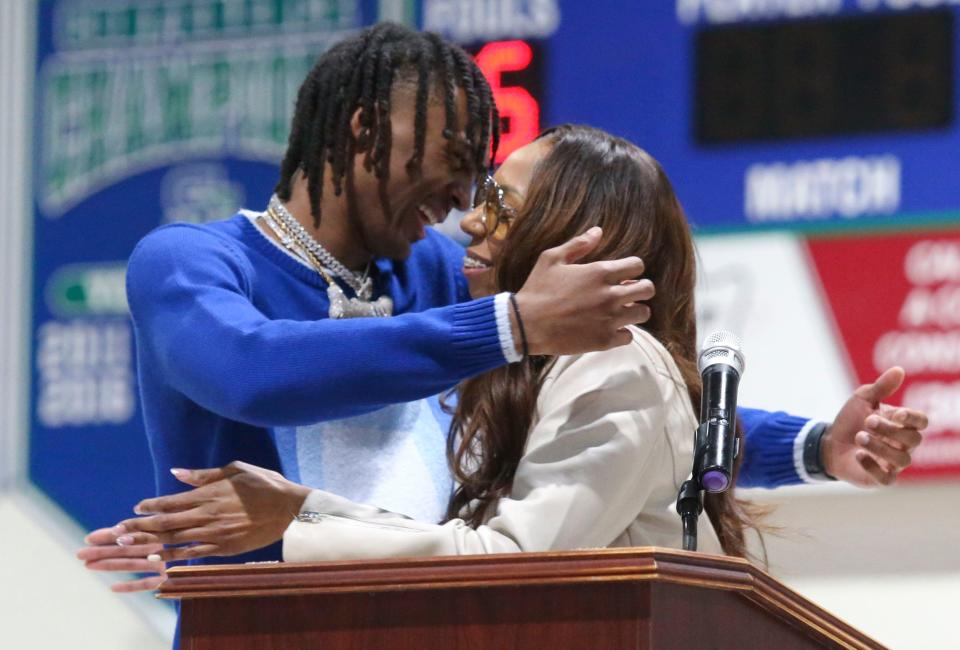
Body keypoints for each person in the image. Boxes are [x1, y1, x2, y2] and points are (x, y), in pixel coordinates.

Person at [77, 25, 926, 588]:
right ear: (366, 132)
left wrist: (812, 445)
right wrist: (511, 323)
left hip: (439, 620)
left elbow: (639, 414)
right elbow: (248, 373)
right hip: (264, 629)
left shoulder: (449, 277)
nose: (463, 201)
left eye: (486, 180)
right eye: (451, 159)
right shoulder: (189, 260)